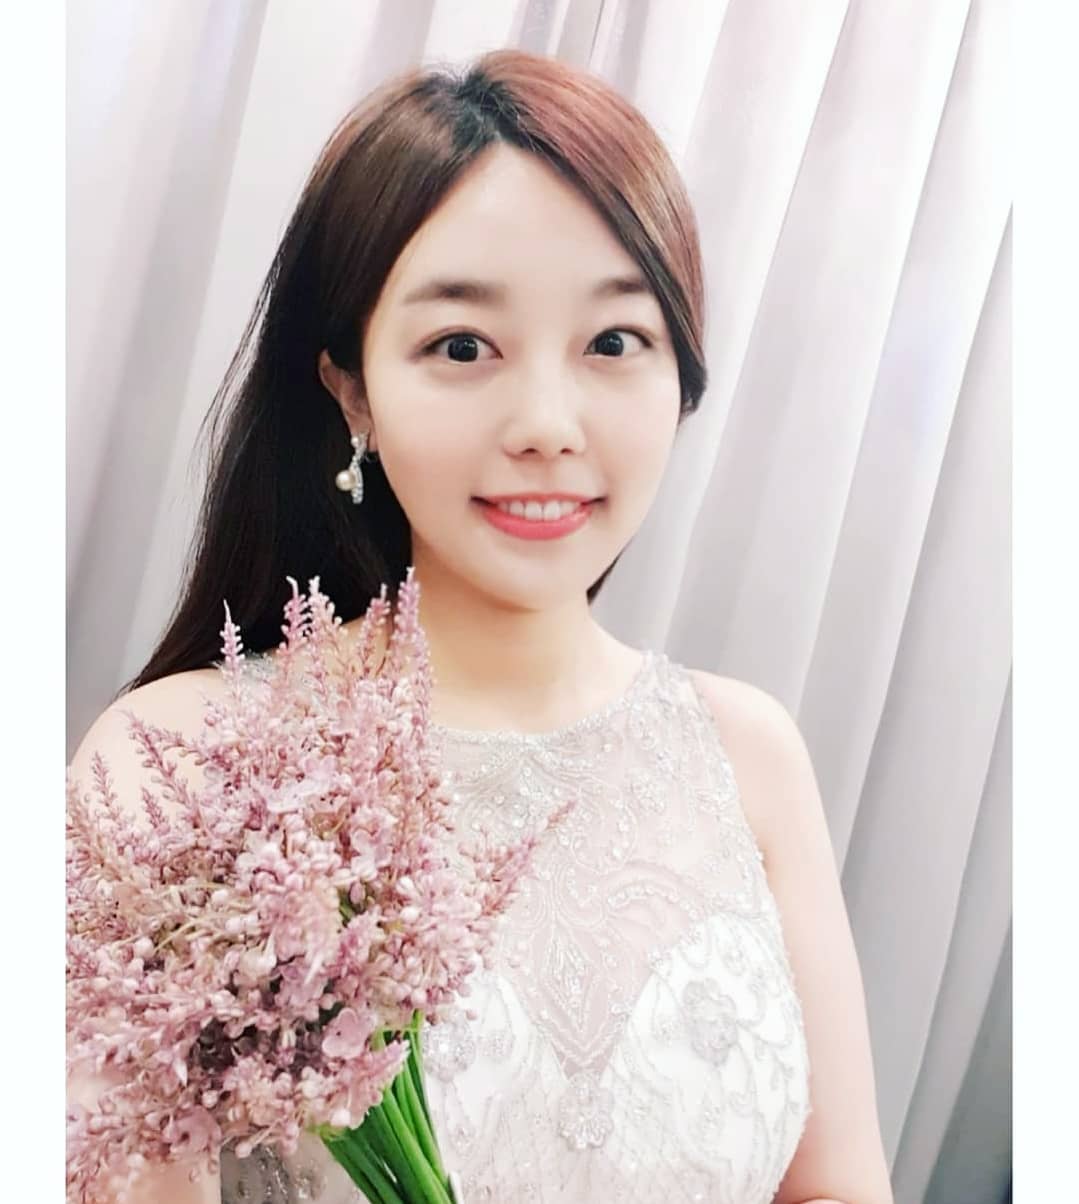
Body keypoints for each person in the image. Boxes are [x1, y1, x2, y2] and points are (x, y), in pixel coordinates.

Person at [68, 49, 894, 1204]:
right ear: (352, 391)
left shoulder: (747, 754)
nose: (547, 424)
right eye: (461, 347)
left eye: (613, 342)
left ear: (679, 377)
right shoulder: (176, 766)